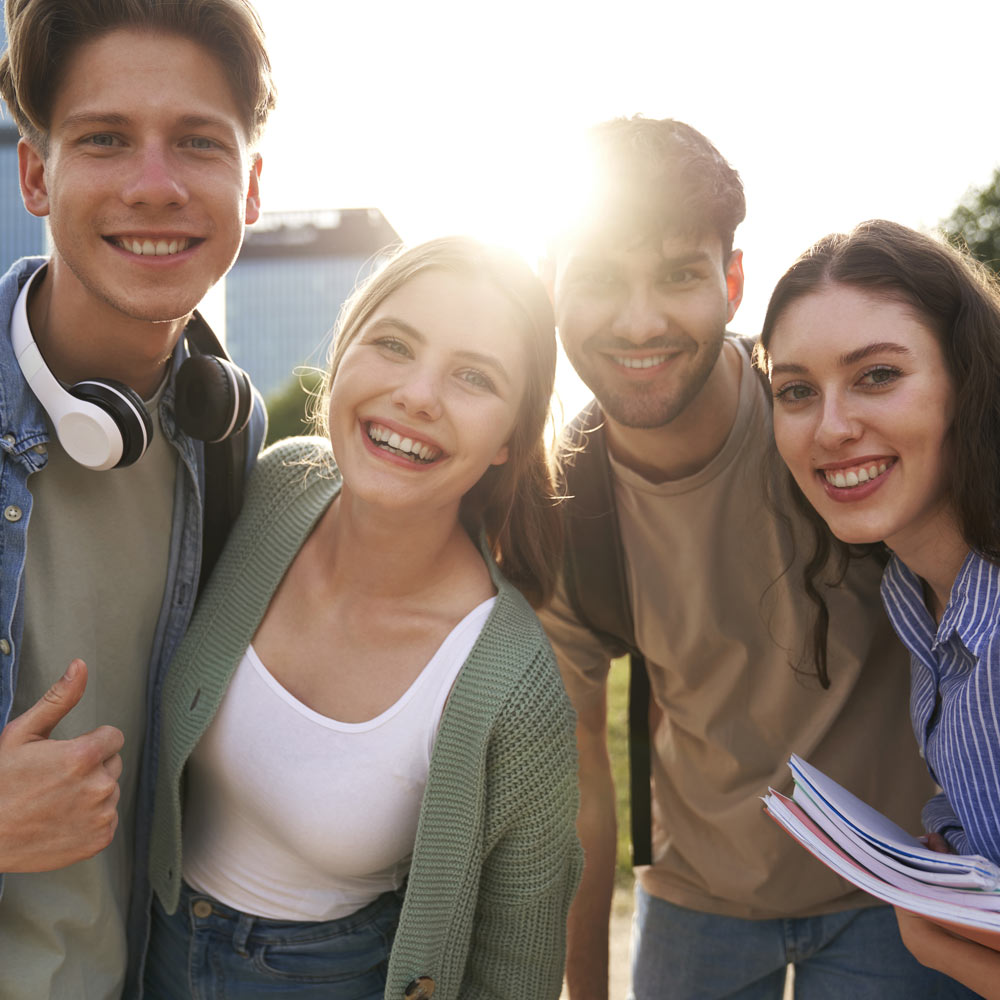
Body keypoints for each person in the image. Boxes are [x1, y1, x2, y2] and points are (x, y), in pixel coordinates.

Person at [540, 116, 968, 999]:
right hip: (696, 901)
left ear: (733, 281)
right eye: (599, 278)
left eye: (679, 273)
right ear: (552, 288)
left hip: (894, 894)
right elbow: (576, 786)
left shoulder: (827, 426)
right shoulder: (558, 506)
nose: (640, 318)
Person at [143, 235, 583, 1000]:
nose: (418, 395)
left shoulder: (515, 689)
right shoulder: (274, 489)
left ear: (511, 437)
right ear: (344, 354)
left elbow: (516, 971)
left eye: (473, 376)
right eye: (393, 345)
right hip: (150, 944)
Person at [0, 1, 274, 996]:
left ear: (249, 184)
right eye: (106, 139)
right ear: (37, 172)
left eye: (197, 144)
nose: (155, 187)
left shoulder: (229, 439)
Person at [758, 217, 1000, 998]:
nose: (831, 427)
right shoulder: (911, 595)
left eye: (877, 375)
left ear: (968, 380)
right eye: (796, 391)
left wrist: (942, 944)